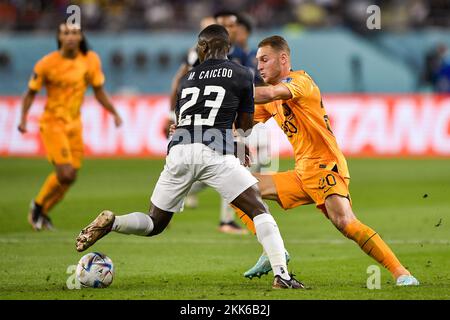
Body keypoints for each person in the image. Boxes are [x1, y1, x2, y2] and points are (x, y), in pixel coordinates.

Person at [75, 25, 303, 289]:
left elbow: (184, 121)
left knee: (155, 222)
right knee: (258, 209)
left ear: (203, 48)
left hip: (179, 150)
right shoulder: (242, 74)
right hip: (214, 152)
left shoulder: (189, 78)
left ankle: (114, 222)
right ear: (228, 48)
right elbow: (245, 126)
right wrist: (238, 141)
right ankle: (282, 276)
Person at [234, 35, 419, 286]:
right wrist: (191, 128)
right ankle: (272, 252)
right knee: (236, 187)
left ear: (283, 59)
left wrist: (233, 89)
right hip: (302, 173)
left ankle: (402, 273)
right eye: (258, 61)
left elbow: (271, 93)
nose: (260, 66)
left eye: (265, 60)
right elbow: (240, 124)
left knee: (344, 222)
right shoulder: (270, 101)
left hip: (325, 166)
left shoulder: (300, 82)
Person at [18, 23, 122, 231]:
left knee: (70, 178)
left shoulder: (90, 60)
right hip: (53, 123)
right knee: (65, 173)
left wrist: (114, 112)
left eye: (75, 33)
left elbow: (99, 91)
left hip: (75, 124)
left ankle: (43, 214)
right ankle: (37, 207)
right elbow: (30, 93)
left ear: (81, 36)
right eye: (66, 33)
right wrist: (23, 118)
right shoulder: (46, 64)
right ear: (59, 37)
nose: (71, 37)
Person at [170, 12, 255, 234]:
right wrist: (175, 117)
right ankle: (226, 220)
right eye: (225, 25)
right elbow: (182, 81)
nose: (231, 29)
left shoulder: (243, 55)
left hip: (228, 122)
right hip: (207, 123)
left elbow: (252, 88)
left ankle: (179, 195)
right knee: (230, 166)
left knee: (219, 168)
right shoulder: (202, 52)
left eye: (233, 25)